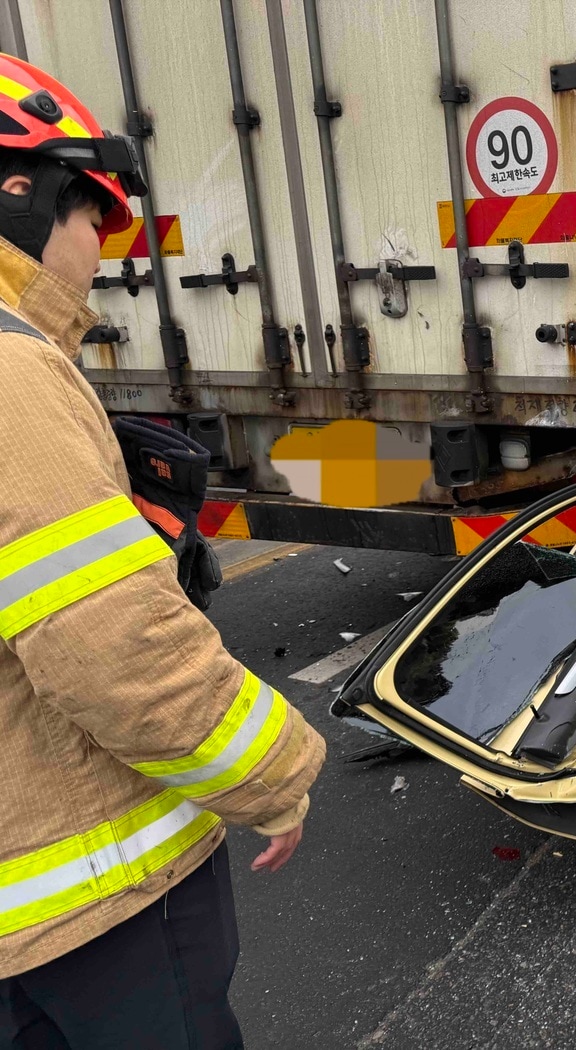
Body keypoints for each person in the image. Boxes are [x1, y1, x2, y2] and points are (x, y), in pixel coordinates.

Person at [0, 56, 325, 1047]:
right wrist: (274, 772)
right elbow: (114, 648)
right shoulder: (13, 373)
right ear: (22, 196)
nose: (98, 249)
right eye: (93, 216)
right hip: (90, 893)